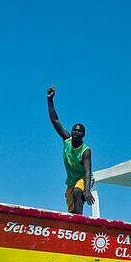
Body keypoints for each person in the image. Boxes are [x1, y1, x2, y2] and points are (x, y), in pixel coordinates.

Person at [46, 85, 94, 214]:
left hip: (84, 178)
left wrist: (87, 190)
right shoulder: (67, 140)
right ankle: (73, 223)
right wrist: (50, 100)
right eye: (74, 130)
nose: (76, 132)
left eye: (79, 131)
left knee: (78, 192)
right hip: (71, 181)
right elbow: (54, 120)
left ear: (83, 135)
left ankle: (79, 223)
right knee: (72, 206)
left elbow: (88, 171)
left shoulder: (85, 151)